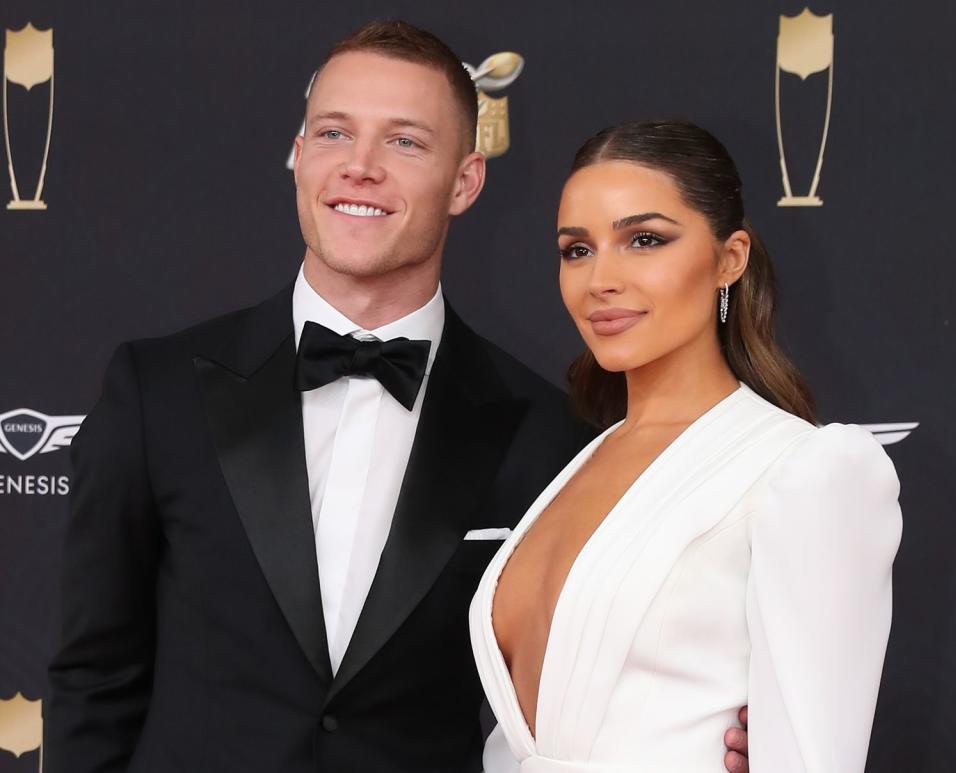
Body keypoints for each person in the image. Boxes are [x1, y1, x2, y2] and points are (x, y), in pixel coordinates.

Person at [44, 21, 749, 773]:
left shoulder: (549, 435)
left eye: (404, 142)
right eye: (333, 133)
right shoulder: (158, 391)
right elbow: (95, 677)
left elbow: (578, 694)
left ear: (465, 181)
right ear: (298, 154)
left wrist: (718, 738)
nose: (359, 167)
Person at [470, 120, 902, 772]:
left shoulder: (807, 470)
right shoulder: (582, 458)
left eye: (644, 240)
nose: (600, 279)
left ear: (730, 258)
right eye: (576, 249)